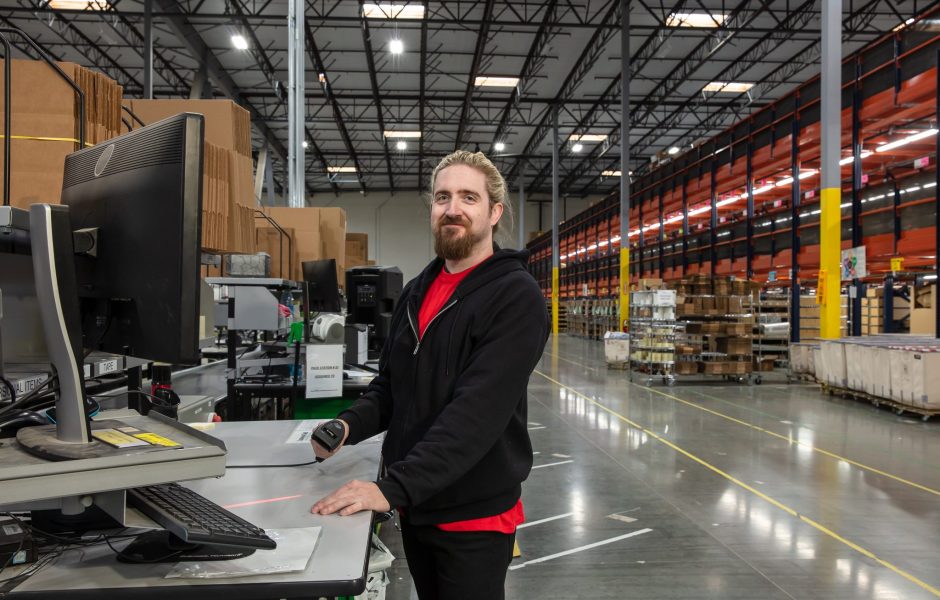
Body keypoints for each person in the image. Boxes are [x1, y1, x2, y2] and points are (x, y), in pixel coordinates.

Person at [310, 150, 549, 599]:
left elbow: (475, 416)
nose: (452, 209)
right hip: (419, 505)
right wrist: (347, 425)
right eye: (442, 197)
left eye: (468, 197)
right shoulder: (418, 290)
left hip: (473, 516)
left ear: (494, 212)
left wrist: (390, 488)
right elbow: (391, 387)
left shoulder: (516, 297)